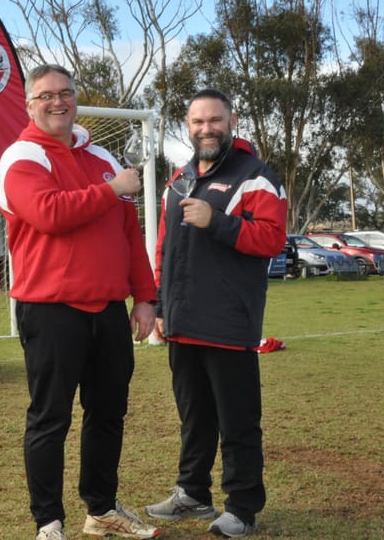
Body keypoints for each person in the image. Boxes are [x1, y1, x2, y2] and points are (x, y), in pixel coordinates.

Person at [0, 64, 160, 540]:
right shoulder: (21, 156)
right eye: (45, 95)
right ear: (30, 104)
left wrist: (145, 297)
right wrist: (112, 190)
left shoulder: (103, 156)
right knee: (51, 417)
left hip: (107, 309)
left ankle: (102, 510)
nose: (57, 102)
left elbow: (130, 235)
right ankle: (48, 522)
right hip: (50, 310)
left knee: (108, 413)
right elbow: (49, 215)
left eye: (65, 93)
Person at [145, 88, 287, 538]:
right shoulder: (180, 178)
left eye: (215, 121)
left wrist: (219, 221)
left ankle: (242, 507)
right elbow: (166, 249)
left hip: (228, 322)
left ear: (232, 121)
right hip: (182, 322)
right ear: (187, 127)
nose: (206, 129)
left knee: (238, 421)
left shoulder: (256, 177)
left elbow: (271, 239)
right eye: (197, 122)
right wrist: (162, 305)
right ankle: (193, 493)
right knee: (194, 417)